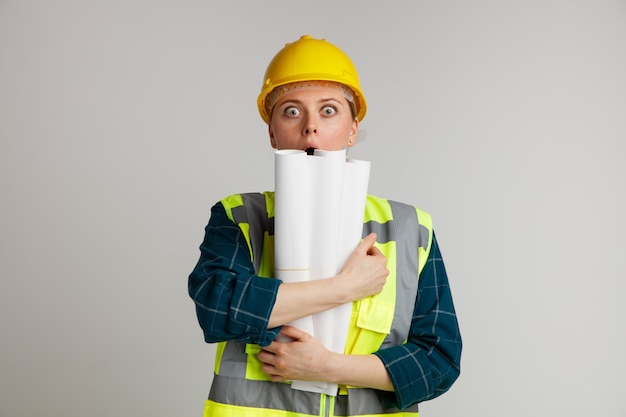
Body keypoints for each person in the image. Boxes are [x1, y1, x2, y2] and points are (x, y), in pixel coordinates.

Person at [188, 35, 462, 417]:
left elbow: (439, 362)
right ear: (272, 132)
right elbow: (218, 310)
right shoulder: (240, 216)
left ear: (353, 128)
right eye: (291, 111)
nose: (310, 129)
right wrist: (344, 287)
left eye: (329, 111)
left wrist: (326, 368)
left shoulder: (409, 228)